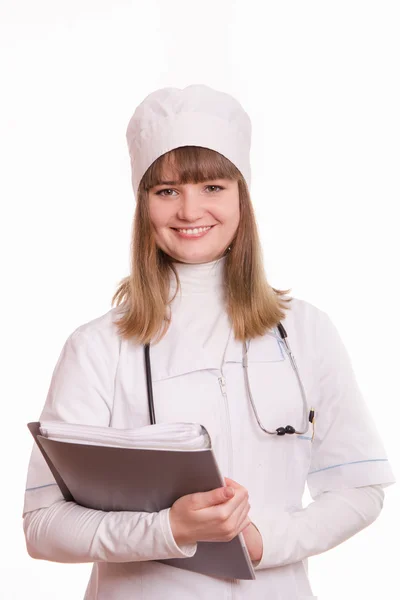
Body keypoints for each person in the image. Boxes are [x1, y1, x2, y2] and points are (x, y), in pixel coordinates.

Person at [22, 84, 396, 600]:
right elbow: (43, 526)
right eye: (167, 190)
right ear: (143, 204)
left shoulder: (306, 331)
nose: (190, 210)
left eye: (213, 187)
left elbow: (359, 488)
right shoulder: (97, 346)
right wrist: (169, 530)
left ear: (241, 195)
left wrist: (262, 540)